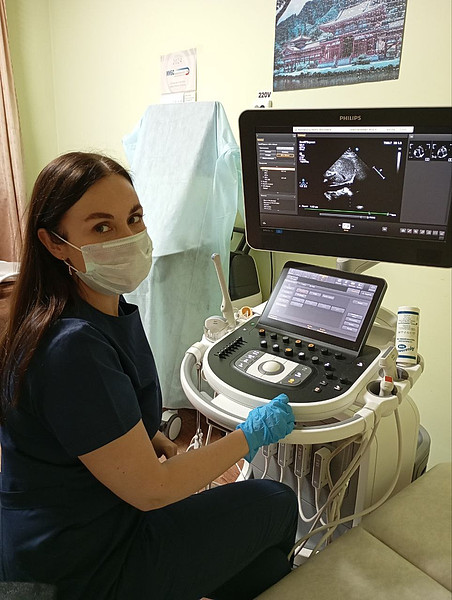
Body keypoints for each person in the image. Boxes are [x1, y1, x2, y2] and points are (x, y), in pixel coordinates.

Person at [0, 152, 298, 600]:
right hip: (77, 569)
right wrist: (250, 435)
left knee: (266, 564)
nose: (128, 238)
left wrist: (145, 436)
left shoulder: (102, 309)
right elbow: (153, 490)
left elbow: (88, 417)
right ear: (55, 243)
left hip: (72, 526)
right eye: (102, 228)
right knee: (276, 502)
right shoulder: (71, 347)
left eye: (134, 218)